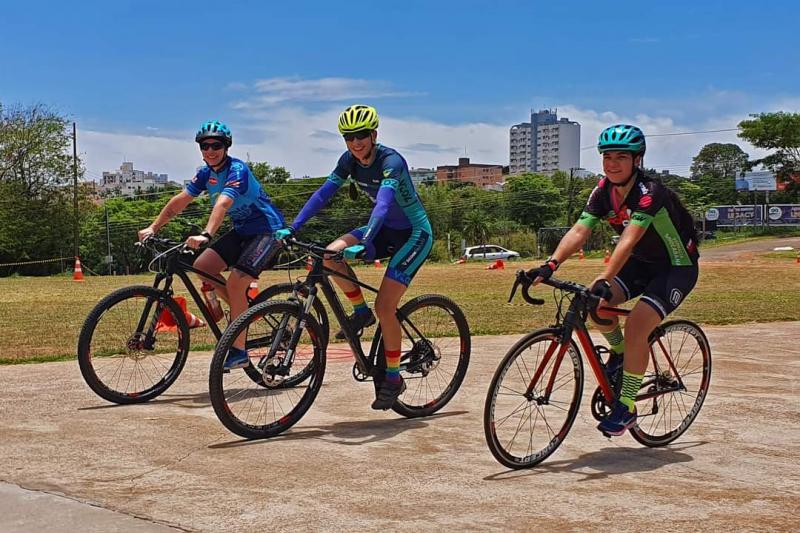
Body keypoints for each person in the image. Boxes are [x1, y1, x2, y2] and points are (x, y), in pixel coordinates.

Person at [528, 124, 699, 436]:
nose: (613, 163)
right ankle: (620, 353)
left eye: (622, 156)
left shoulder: (650, 192)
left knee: (637, 325)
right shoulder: (602, 191)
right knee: (598, 306)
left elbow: (628, 240)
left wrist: (606, 276)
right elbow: (580, 230)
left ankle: (627, 406)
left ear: (637, 160)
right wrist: (550, 264)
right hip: (640, 265)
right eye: (607, 156)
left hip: (676, 267)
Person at [274, 104, 433, 410]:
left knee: (386, 305)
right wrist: (292, 227)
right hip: (383, 229)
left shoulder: (391, 161)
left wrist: (367, 240)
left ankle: (393, 377)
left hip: (414, 233)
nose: (356, 142)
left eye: (361, 135)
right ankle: (360, 312)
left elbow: (384, 204)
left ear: (373, 134)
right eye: (349, 137)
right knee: (330, 255)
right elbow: (323, 194)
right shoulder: (349, 160)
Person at [138, 120, 286, 370]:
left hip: (268, 231)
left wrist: (206, 234)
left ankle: (239, 350)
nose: (210, 150)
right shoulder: (205, 173)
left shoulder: (237, 170)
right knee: (203, 265)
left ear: (226, 146)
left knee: (236, 282)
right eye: (204, 146)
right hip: (242, 231)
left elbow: (223, 204)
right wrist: (153, 227)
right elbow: (179, 202)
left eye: (215, 145)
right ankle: (245, 313)